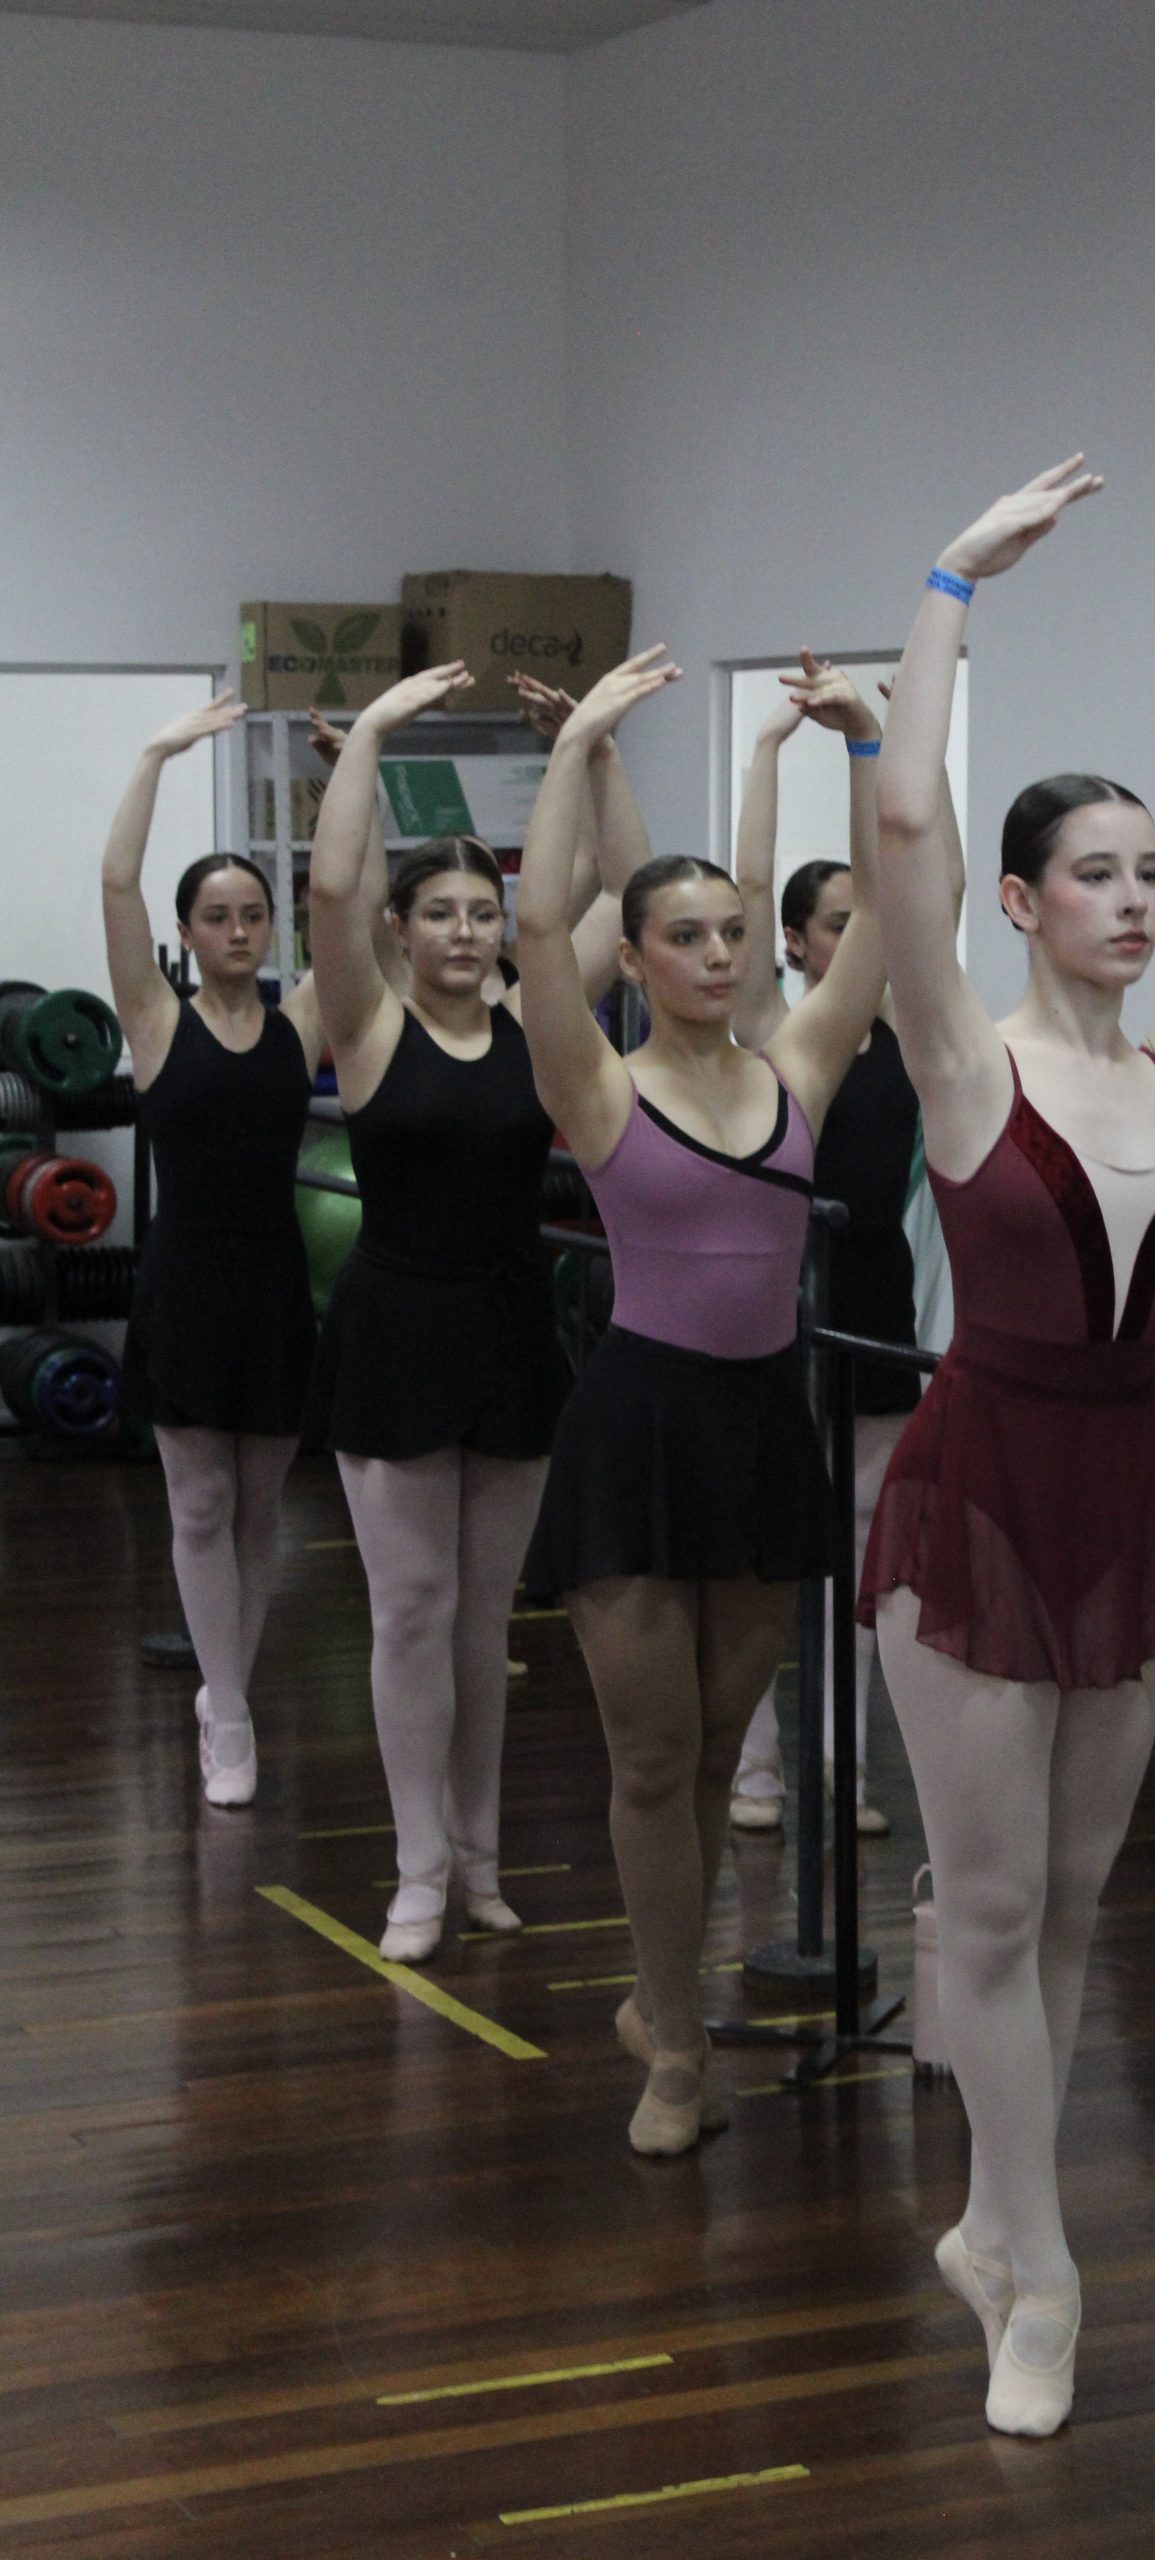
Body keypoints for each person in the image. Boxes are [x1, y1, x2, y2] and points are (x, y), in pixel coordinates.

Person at [861, 456, 1155, 2435]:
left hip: (1121, 1486)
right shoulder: (959, 1057)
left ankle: (996, 2223)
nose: (1135, 899)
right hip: (976, 1486)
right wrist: (949, 583)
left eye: (1149, 870)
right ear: (1018, 899)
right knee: (983, 1910)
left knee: (1066, 1911)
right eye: (1095, 871)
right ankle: (1044, 2273)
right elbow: (903, 816)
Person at [516, 644, 890, 2155]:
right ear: (638, 955)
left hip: (757, 1428)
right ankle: (675, 2046)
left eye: (735, 932)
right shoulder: (597, 1084)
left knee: (723, 1749)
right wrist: (580, 751)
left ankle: (661, 1992)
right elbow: (534, 929)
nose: (720, 955)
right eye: (686, 937)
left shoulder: (799, 1065)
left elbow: (888, 911)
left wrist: (865, 745)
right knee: (654, 1759)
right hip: (637, 1426)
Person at [304, 659, 638, 1963]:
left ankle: (482, 1860)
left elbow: (622, 895)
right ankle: (417, 1869)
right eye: (438, 912)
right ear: (399, 932)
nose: (463, 931)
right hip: (394, 1332)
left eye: (482, 911)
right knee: (409, 1609)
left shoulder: (533, 1021)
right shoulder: (367, 1026)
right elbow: (331, 886)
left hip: (507, 1328)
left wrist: (596, 751)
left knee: (485, 1622)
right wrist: (376, 735)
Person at [103, 689, 387, 1808]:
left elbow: (358, 901)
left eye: (251, 914)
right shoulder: (154, 1020)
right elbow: (117, 883)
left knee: (263, 1508)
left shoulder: (301, 1021)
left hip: (271, 1282)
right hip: (185, 1281)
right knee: (198, 1504)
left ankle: (232, 1687)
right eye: (216, 916)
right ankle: (226, 1708)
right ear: (187, 933)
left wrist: (352, 774)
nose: (236, 930)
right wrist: (156, 755)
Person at [728, 660, 965, 1838]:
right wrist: (770, 752)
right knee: (769, 1545)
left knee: (864, 1547)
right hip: (777, 1297)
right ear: (793, 942)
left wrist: (888, 746)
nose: (852, 931)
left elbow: (921, 886)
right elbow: (750, 883)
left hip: (873, 1293)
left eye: (851, 920)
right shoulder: (774, 1028)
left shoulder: (909, 1031)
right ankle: (755, 1764)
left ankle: (843, 1765)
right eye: (828, 924)